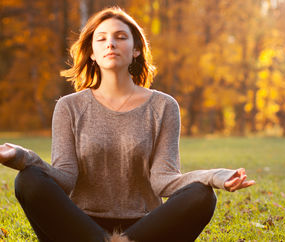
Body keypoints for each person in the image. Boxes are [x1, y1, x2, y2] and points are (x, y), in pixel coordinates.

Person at [0, 6, 255, 242]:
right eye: (101, 38)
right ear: (91, 52)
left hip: (145, 227)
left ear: (135, 49)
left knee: (202, 195)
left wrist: (216, 177)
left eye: (121, 36)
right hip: (80, 226)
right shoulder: (69, 106)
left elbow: (164, 180)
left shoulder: (164, 106)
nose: (110, 43)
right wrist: (20, 156)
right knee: (28, 180)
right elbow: (65, 178)